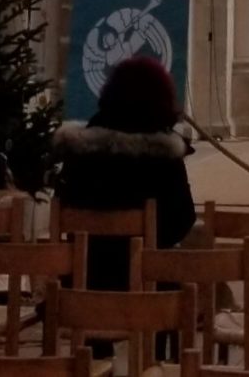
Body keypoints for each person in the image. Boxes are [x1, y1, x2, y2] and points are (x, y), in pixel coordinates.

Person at [52, 56, 196, 289]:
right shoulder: (164, 157)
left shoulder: (80, 151)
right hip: (150, 291)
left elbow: (62, 210)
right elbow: (182, 220)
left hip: (83, 287)